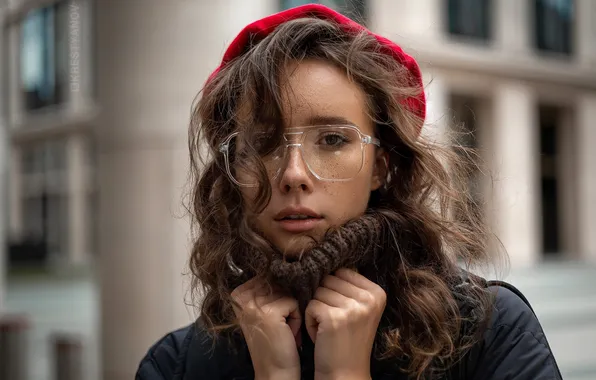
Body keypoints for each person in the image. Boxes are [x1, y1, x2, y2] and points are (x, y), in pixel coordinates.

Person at [136, 4, 562, 380]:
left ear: (380, 166)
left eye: (333, 140)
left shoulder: (485, 331)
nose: (293, 175)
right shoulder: (177, 364)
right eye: (262, 145)